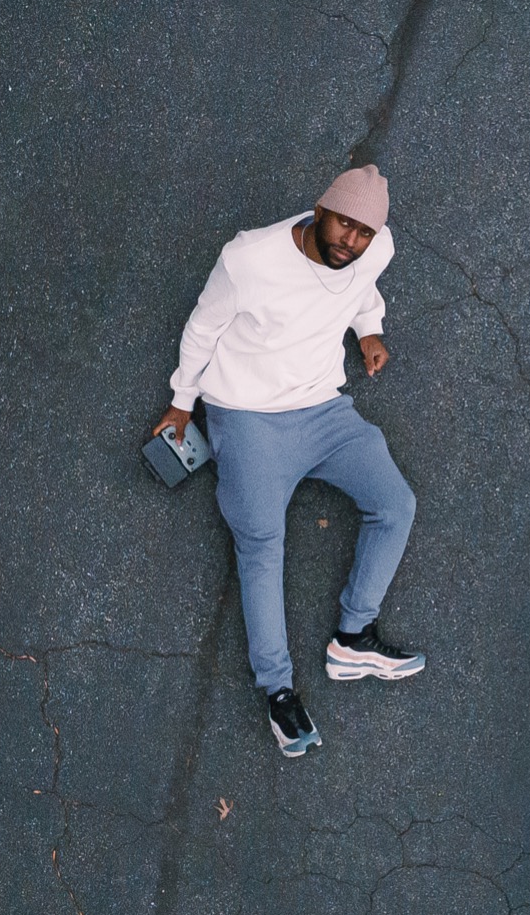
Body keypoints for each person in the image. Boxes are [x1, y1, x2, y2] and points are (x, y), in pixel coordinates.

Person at [153, 164, 424, 758]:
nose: (350, 241)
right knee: (261, 544)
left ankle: (353, 638)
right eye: (343, 225)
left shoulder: (374, 250)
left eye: (363, 233)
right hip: (247, 417)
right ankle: (278, 691)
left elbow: (362, 289)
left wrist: (369, 332)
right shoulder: (250, 259)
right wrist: (181, 402)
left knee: (396, 503)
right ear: (319, 210)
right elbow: (202, 328)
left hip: (324, 411)